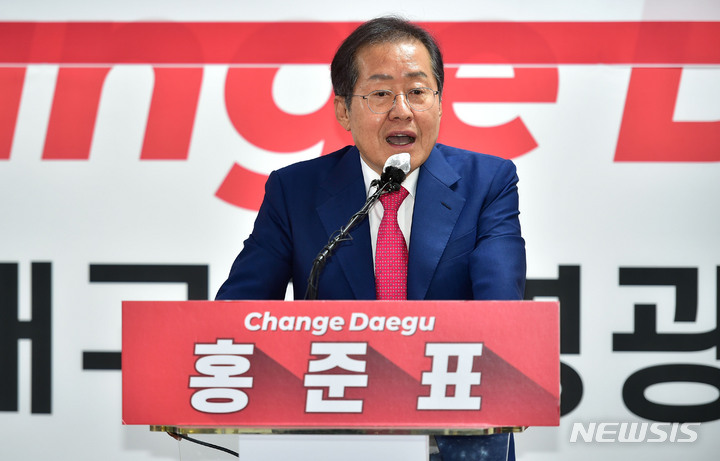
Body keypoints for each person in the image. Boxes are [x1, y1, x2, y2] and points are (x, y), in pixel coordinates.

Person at [217, 16, 526, 461]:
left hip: (456, 434)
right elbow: (237, 315)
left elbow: (502, 312)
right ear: (343, 110)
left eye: (418, 91)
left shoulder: (488, 182)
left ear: (439, 103)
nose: (402, 110)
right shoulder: (295, 191)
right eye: (381, 94)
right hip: (331, 434)